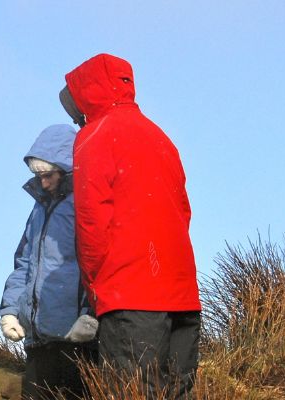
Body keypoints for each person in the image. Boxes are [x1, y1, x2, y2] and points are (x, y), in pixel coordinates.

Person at [61, 53, 202, 398]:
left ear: (84, 97)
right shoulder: (160, 136)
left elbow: (92, 222)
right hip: (182, 297)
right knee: (177, 392)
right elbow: (183, 211)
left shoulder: (95, 136)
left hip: (132, 298)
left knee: (132, 393)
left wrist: (94, 289)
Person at [0, 124, 99, 399]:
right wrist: (10, 310)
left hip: (78, 340)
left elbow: (99, 261)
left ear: (67, 168)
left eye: (47, 174)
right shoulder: (38, 209)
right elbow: (24, 263)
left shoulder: (87, 203)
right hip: (38, 341)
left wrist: (91, 314)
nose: (42, 182)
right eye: (37, 175)